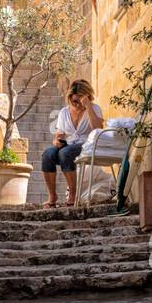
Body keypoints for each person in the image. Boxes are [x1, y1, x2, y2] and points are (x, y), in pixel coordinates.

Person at [41, 80, 104, 208]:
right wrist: (57, 140)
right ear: (69, 98)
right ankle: (52, 195)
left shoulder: (94, 108)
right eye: (74, 101)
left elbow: (98, 128)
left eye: (79, 101)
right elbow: (59, 132)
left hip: (88, 145)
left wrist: (88, 107)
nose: (76, 104)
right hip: (69, 144)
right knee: (47, 154)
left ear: (87, 97)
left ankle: (73, 194)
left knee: (65, 153)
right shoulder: (64, 112)